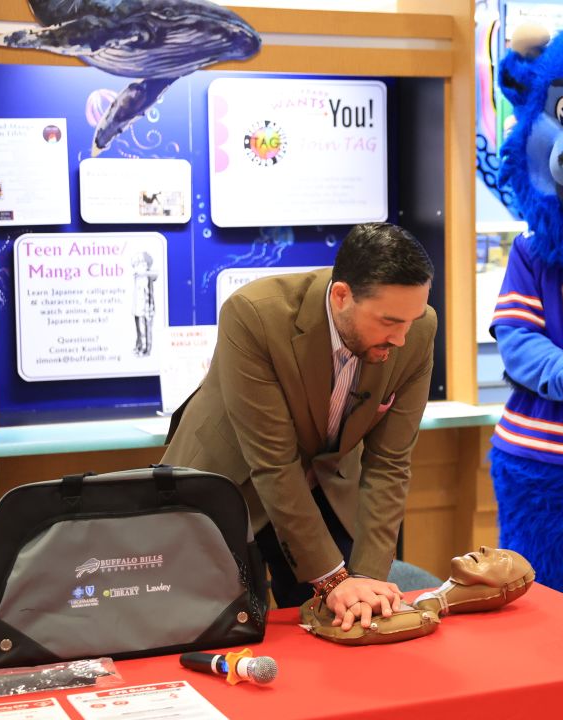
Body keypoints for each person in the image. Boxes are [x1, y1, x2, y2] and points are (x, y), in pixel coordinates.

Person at [162, 222, 437, 632]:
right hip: (230, 483)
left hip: (325, 489)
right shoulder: (254, 313)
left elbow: (390, 463)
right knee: (232, 630)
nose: (400, 338)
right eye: (389, 321)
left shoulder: (416, 330)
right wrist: (334, 578)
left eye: (410, 321)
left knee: (345, 624)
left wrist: (365, 578)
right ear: (342, 295)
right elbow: (273, 463)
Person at [131, 252, 158, 356]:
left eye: (142, 263)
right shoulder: (136, 275)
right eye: (137, 264)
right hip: (137, 307)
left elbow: (155, 274)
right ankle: (139, 346)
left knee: (146, 329)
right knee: (139, 328)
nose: (139, 266)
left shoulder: (149, 275)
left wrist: (144, 273)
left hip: (147, 308)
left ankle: (146, 349)